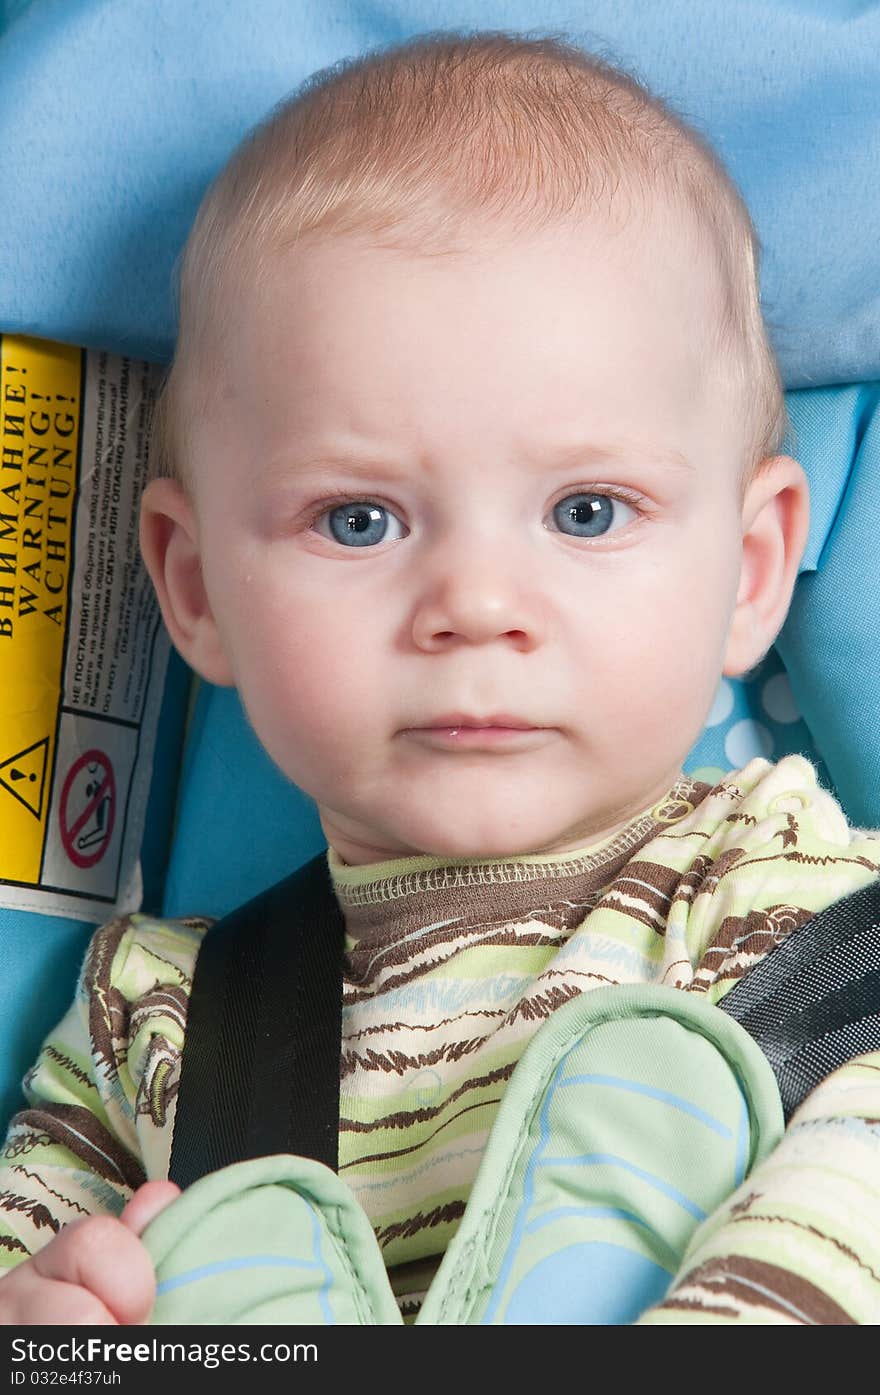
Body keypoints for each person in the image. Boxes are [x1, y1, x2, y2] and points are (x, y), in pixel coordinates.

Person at [1, 30, 879, 1326]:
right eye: (360, 521)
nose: (475, 606)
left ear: (751, 571)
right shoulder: (150, 1020)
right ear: (195, 591)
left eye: (586, 512)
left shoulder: (784, 897)